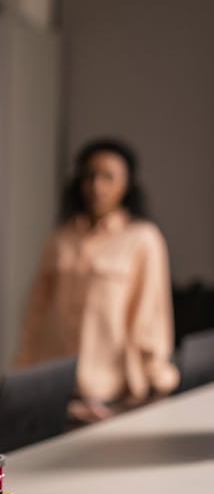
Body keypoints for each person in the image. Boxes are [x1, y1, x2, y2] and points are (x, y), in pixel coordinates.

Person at [16, 138, 179, 421]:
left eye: (108, 177)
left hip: (111, 391)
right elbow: (36, 311)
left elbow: (151, 314)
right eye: (89, 176)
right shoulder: (60, 239)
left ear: (127, 184)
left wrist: (157, 376)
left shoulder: (142, 238)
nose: (96, 186)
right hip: (53, 387)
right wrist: (22, 373)